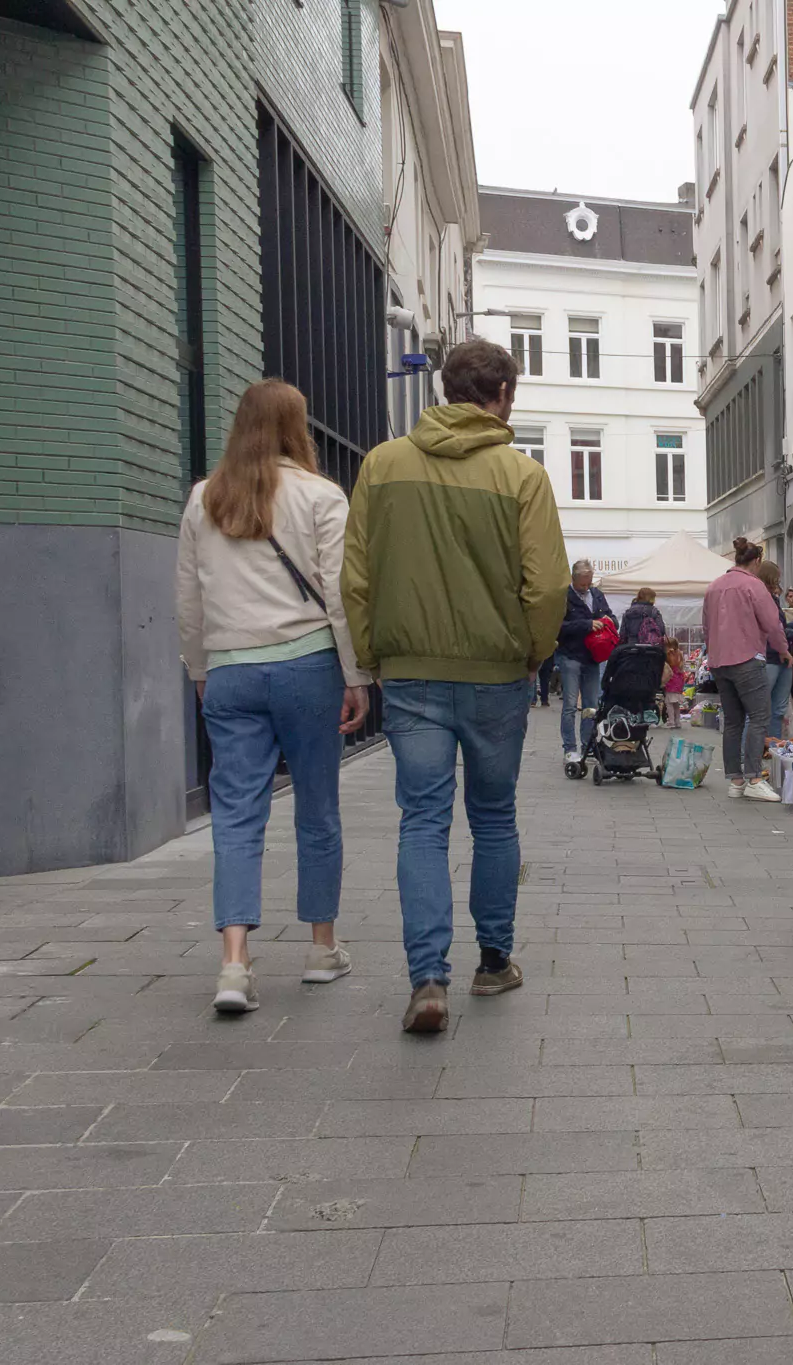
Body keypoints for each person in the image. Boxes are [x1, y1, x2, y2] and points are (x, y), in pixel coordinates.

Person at [343, 337, 568, 1035]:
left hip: (410, 672)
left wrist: (374, 653)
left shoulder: (382, 466)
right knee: (494, 815)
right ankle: (493, 959)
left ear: (444, 390)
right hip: (496, 672)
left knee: (423, 820)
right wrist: (533, 653)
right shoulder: (521, 476)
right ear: (503, 395)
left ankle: (427, 977)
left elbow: (356, 577)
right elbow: (549, 584)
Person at [176, 379, 371, 1014]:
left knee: (234, 815)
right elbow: (340, 593)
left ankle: (234, 964)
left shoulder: (205, 498)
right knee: (317, 808)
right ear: (297, 427)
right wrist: (356, 675)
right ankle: (321, 949)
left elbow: (189, 598)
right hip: (306, 665)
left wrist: (202, 669)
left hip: (231, 670)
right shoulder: (320, 495)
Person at [702, 536, 791, 801]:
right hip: (747, 658)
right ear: (757, 561)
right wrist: (784, 650)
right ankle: (753, 777)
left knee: (733, 721)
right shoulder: (754, 585)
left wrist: (713, 652)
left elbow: (706, 627)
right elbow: (773, 624)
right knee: (759, 717)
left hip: (719, 662)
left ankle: (736, 781)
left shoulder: (714, 587)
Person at [554, 560, 616, 770]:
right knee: (570, 705)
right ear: (573, 579)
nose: (586, 587)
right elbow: (558, 627)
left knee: (591, 705)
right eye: (582, 584)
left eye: (588, 583)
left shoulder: (596, 594)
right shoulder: (564, 596)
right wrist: (587, 625)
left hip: (592, 657)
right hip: (570, 656)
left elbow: (611, 616)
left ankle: (588, 747)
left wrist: (609, 620)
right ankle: (570, 749)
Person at [754, 560, 793, 739]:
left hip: (780, 658)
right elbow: (775, 630)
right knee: (761, 710)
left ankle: (773, 747)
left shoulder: (772, 599)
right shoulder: (762, 598)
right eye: (777, 576)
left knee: (778, 709)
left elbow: (780, 627)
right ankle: (751, 752)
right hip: (771, 657)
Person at [660, 638, 690, 725]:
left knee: (669, 703)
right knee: (676, 704)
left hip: (671, 682)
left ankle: (671, 721)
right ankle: (678, 721)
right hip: (679, 682)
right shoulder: (679, 654)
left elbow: (667, 671)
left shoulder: (669, 655)